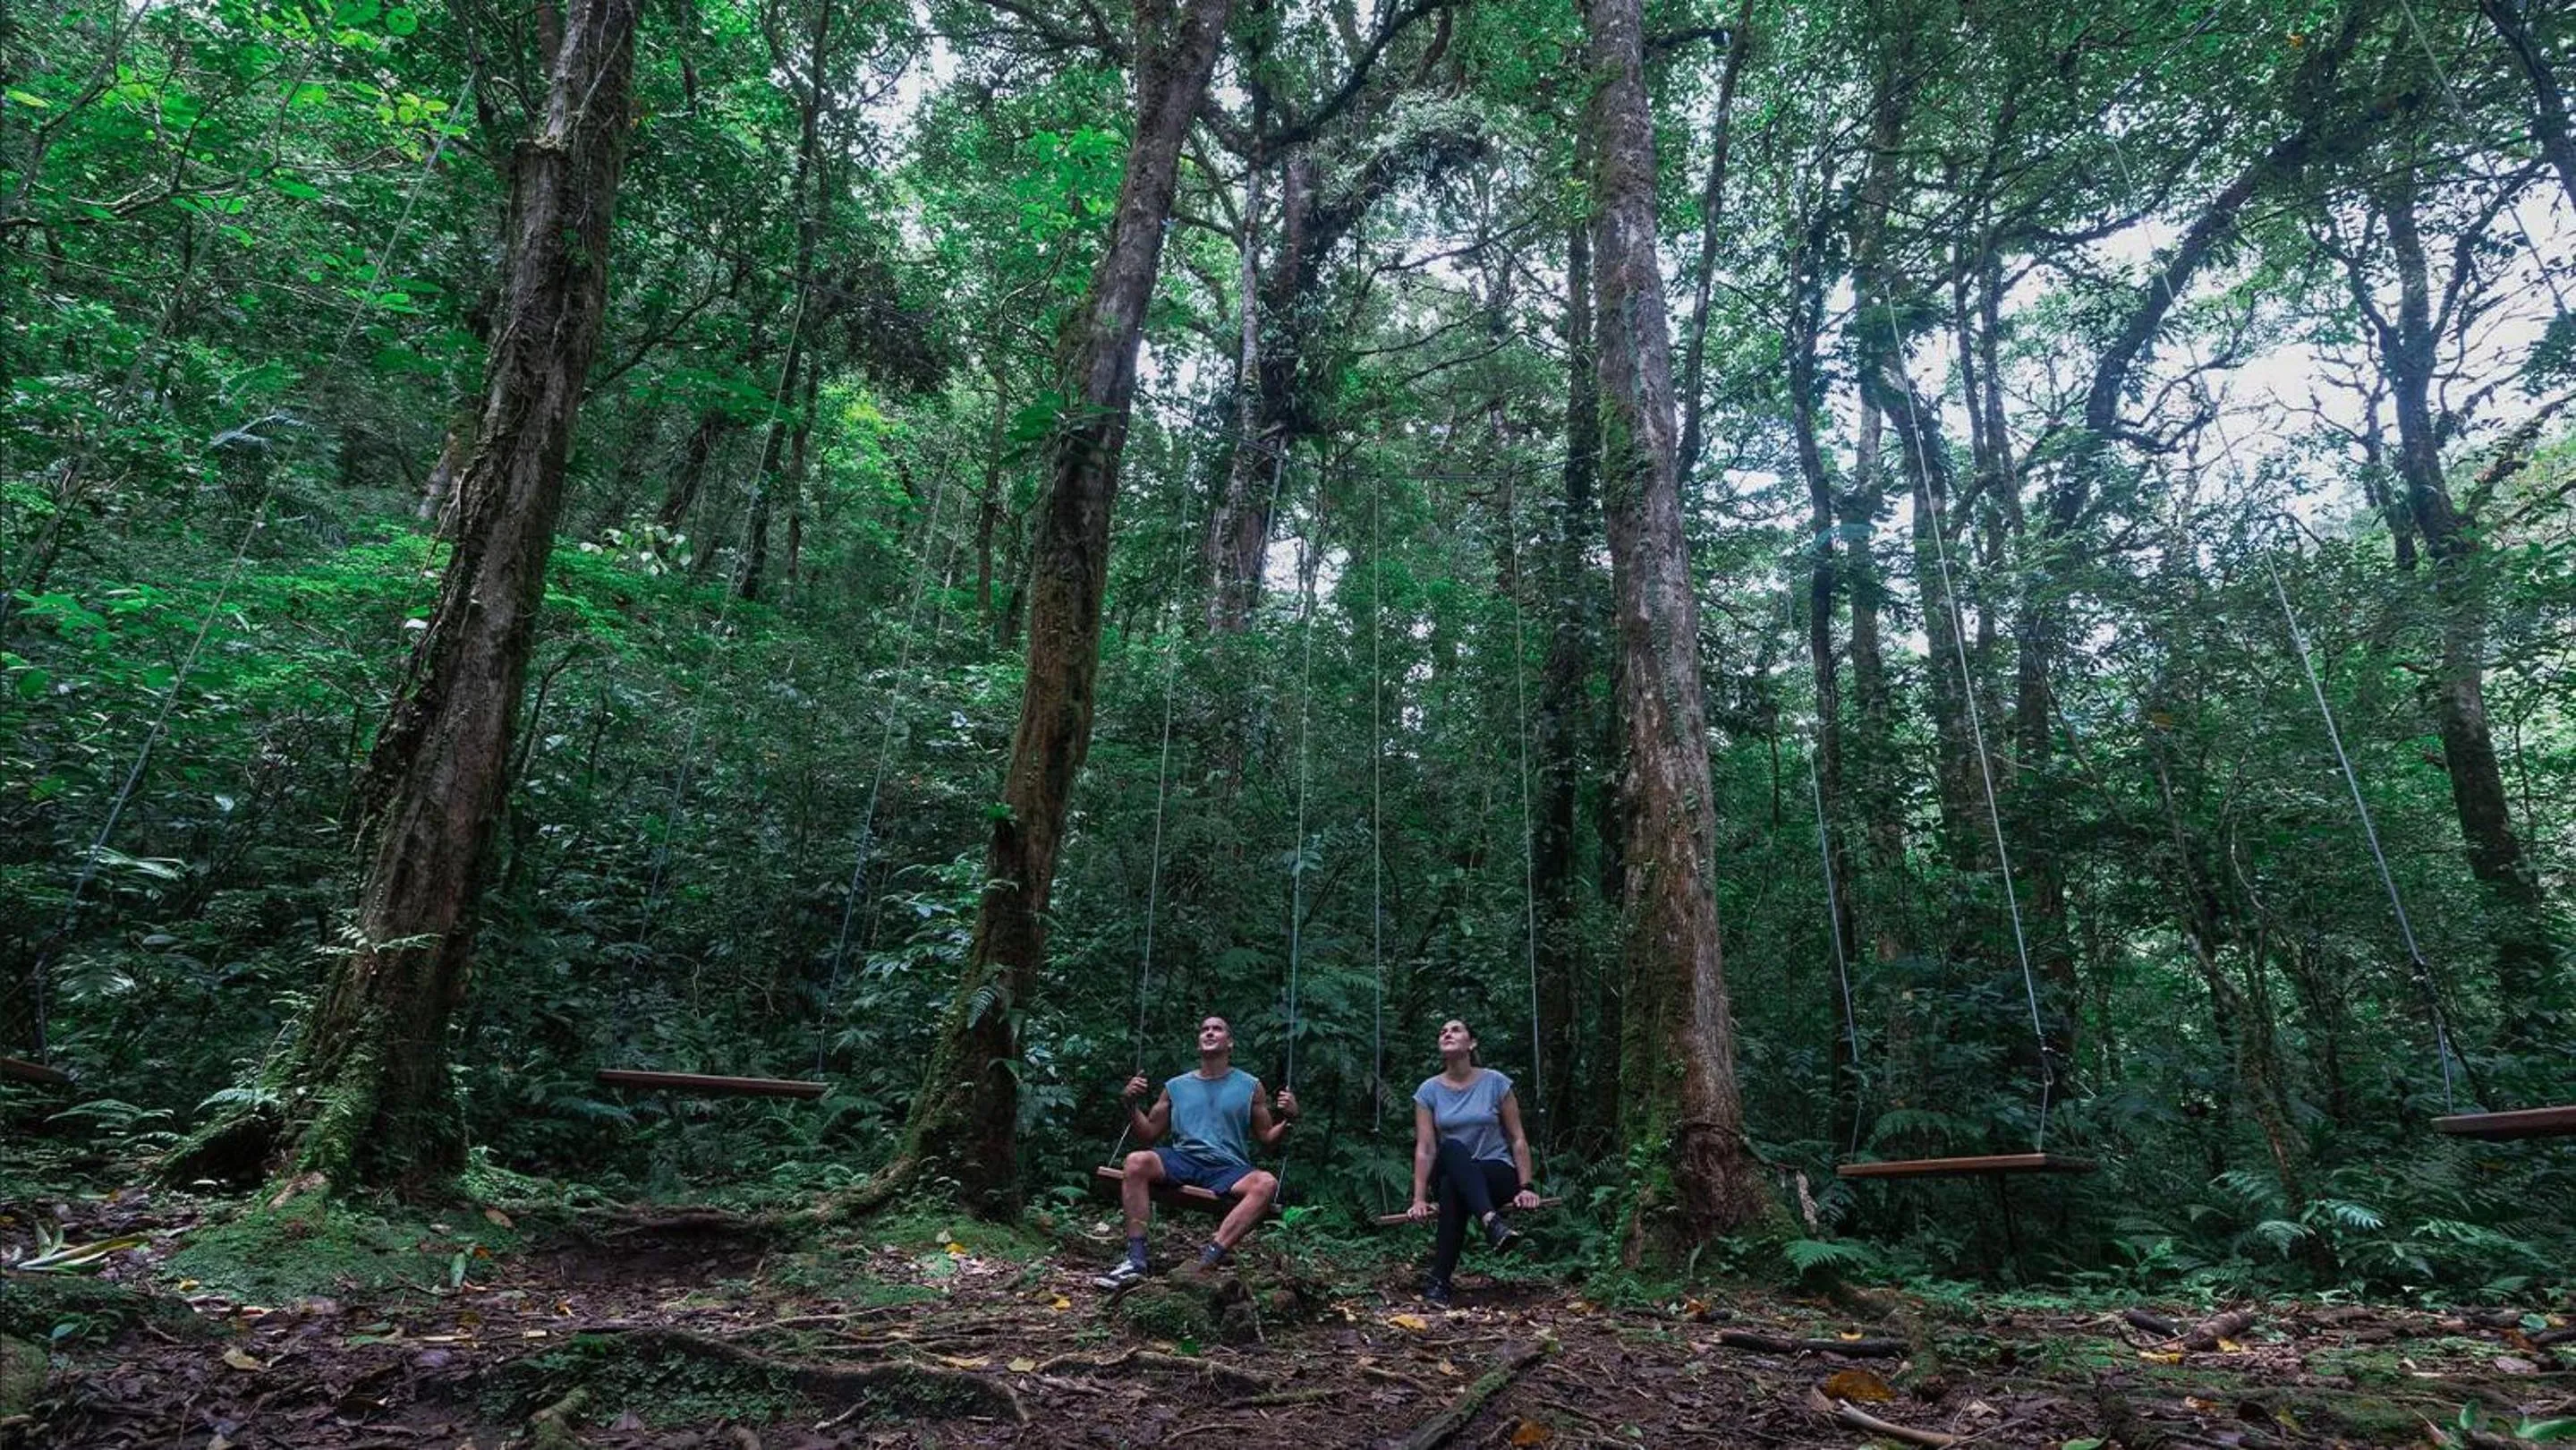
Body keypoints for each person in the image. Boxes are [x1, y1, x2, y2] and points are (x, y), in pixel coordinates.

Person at [1094, 1015, 1297, 1288]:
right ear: (1199, 1041)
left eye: (1217, 1029)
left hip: (1228, 1167)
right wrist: (1130, 1104)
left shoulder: (1250, 1086)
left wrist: (1290, 1119)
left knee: (1267, 1183)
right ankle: (1135, 1260)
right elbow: (1148, 1134)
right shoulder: (1176, 1086)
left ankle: (1206, 1261)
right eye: (1204, 1029)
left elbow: (1267, 1139)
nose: (1210, 1033)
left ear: (1230, 1042)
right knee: (1135, 1161)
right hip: (1183, 1159)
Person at [1404, 1018, 1538, 1307]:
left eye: (1455, 1030)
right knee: (1451, 1150)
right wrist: (1418, 1198)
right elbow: (1426, 1147)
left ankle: (1439, 1283)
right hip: (1454, 1167)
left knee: (1454, 1186)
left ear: (1472, 1043)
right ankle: (1492, 1222)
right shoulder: (1428, 1091)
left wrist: (1527, 1186)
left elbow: (1517, 1138)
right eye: (1442, 1031)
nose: (1447, 1034)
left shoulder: (1496, 1083)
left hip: (1495, 1171)